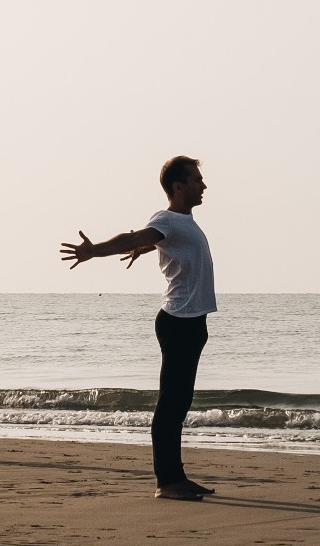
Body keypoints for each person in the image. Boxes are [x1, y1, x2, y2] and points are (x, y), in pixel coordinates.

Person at [61, 156, 217, 500]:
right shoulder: (167, 219)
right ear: (179, 187)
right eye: (196, 180)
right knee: (171, 404)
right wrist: (95, 251)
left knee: (180, 402)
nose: (203, 186)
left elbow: (156, 241)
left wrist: (146, 248)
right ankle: (167, 481)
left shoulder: (180, 224)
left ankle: (176, 477)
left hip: (192, 322)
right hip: (179, 323)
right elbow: (129, 237)